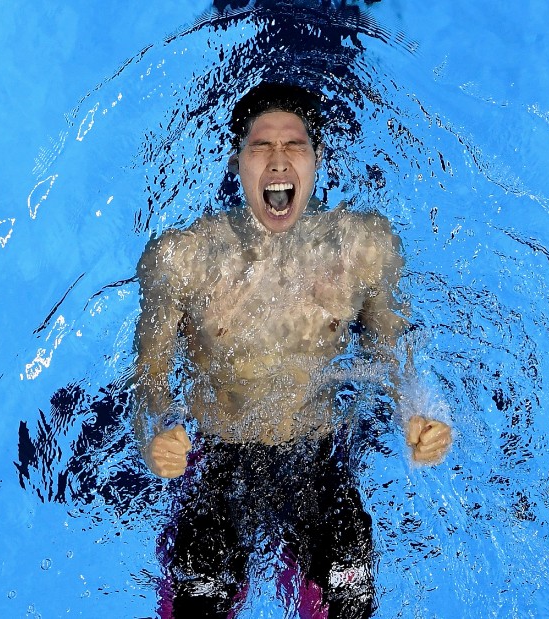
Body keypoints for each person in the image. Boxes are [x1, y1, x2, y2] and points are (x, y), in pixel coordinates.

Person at [133, 81, 452, 619]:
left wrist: (419, 412)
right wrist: (156, 433)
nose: (278, 161)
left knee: (348, 602)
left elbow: (393, 351)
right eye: (261, 147)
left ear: (317, 159)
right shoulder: (180, 259)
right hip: (217, 459)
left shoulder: (364, 248)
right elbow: (148, 375)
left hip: (318, 455)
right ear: (238, 162)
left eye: (293, 147)